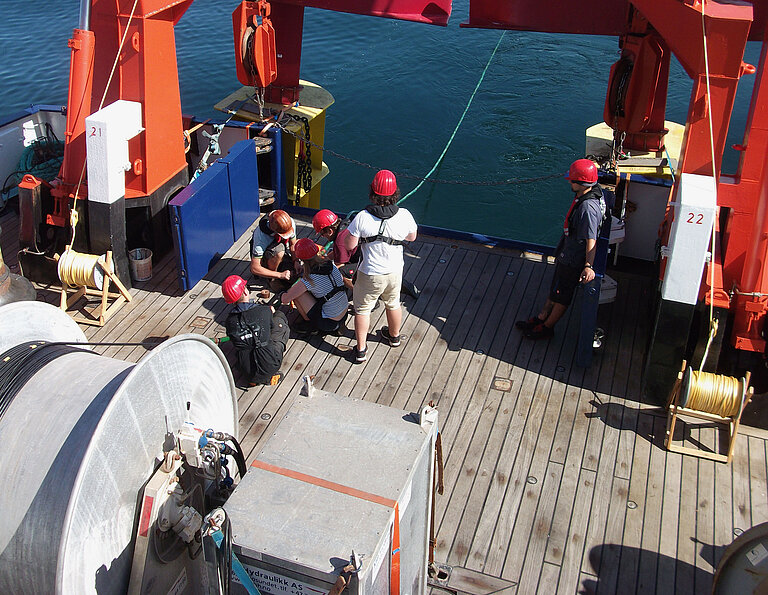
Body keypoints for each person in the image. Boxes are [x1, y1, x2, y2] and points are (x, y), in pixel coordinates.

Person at [516, 158, 606, 340]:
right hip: (567, 252)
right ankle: (542, 317)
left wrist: (588, 266)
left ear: (581, 183)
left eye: (573, 180)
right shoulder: (589, 193)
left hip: (573, 260)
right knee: (556, 287)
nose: (570, 183)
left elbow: (591, 239)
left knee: (563, 294)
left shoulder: (588, 209)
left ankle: (547, 328)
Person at [345, 170, 418, 363]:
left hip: (369, 272)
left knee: (362, 310)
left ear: (372, 192)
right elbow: (412, 237)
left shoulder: (362, 217)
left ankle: (361, 350)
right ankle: (394, 337)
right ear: (395, 192)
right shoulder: (404, 215)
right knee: (393, 303)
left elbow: (349, 245)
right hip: (394, 271)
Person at [221, 274, 289, 386]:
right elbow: (270, 326)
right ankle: (267, 377)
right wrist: (270, 312)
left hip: (246, 370)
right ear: (245, 292)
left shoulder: (230, 321)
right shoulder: (263, 311)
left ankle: (253, 380)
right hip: (271, 363)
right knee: (279, 321)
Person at [280, 238, 348, 335]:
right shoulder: (331, 265)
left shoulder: (309, 279)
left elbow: (285, 299)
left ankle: (311, 326)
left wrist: (283, 293)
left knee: (298, 295)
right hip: (344, 314)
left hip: (329, 323)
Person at [250, 209, 297, 291]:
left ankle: (280, 265)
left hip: (278, 254)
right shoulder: (261, 237)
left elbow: (293, 244)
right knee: (279, 250)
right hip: (265, 258)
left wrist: (296, 261)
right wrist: (280, 275)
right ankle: (272, 279)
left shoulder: (290, 223)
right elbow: (254, 268)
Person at [312, 209, 358, 288]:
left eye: (322, 234)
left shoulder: (340, 242)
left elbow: (339, 265)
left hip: (367, 264)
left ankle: (360, 293)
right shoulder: (345, 226)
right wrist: (325, 258)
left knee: (341, 273)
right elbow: (338, 252)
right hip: (366, 256)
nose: (322, 237)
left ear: (330, 231)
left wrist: (318, 274)